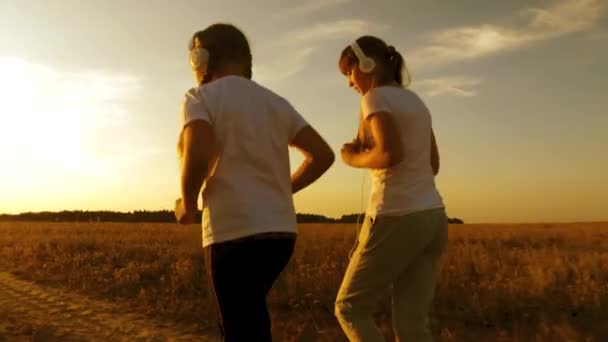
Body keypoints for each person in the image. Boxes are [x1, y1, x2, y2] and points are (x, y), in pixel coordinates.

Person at [174, 23, 335, 342]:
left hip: (233, 231)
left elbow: (199, 147)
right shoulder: (276, 102)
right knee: (252, 315)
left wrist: (188, 202)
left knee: (239, 326)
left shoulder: (199, 97)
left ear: (199, 59)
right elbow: (322, 155)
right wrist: (281, 189)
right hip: (280, 235)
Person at [334, 35, 448, 342]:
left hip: (397, 214)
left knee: (350, 308)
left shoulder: (374, 98)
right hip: (434, 217)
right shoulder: (416, 102)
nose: (349, 82)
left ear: (366, 64)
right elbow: (432, 164)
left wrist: (352, 156)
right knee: (412, 326)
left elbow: (389, 154)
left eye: (349, 72)